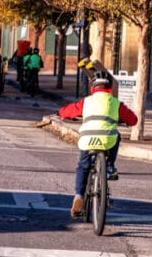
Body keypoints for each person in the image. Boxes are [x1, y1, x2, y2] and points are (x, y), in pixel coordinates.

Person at [59, 70, 138, 218]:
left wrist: (61, 113)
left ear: (93, 87)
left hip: (87, 139)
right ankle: (109, 166)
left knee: (83, 165)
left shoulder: (86, 101)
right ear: (110, 87)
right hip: (108, 140)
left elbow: (68, 111)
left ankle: (78, 196)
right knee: (117, 136)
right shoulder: (116, 103)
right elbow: (133, 120)